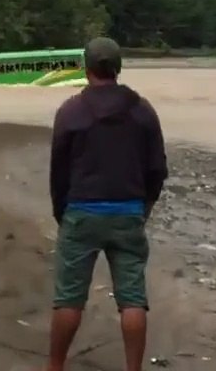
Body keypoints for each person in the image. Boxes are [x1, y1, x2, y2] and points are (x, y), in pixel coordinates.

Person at [45, 37, 169, 371]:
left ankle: (55, 366)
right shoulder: (143, 111)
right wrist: (144, 209)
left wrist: (63, 212)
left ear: (86, 69)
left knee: (69, 298)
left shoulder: (70, 111)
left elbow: (59, 171)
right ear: (118, 68)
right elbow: (157, 169)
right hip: (129, 211)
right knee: (132, 299)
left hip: (81, 211)